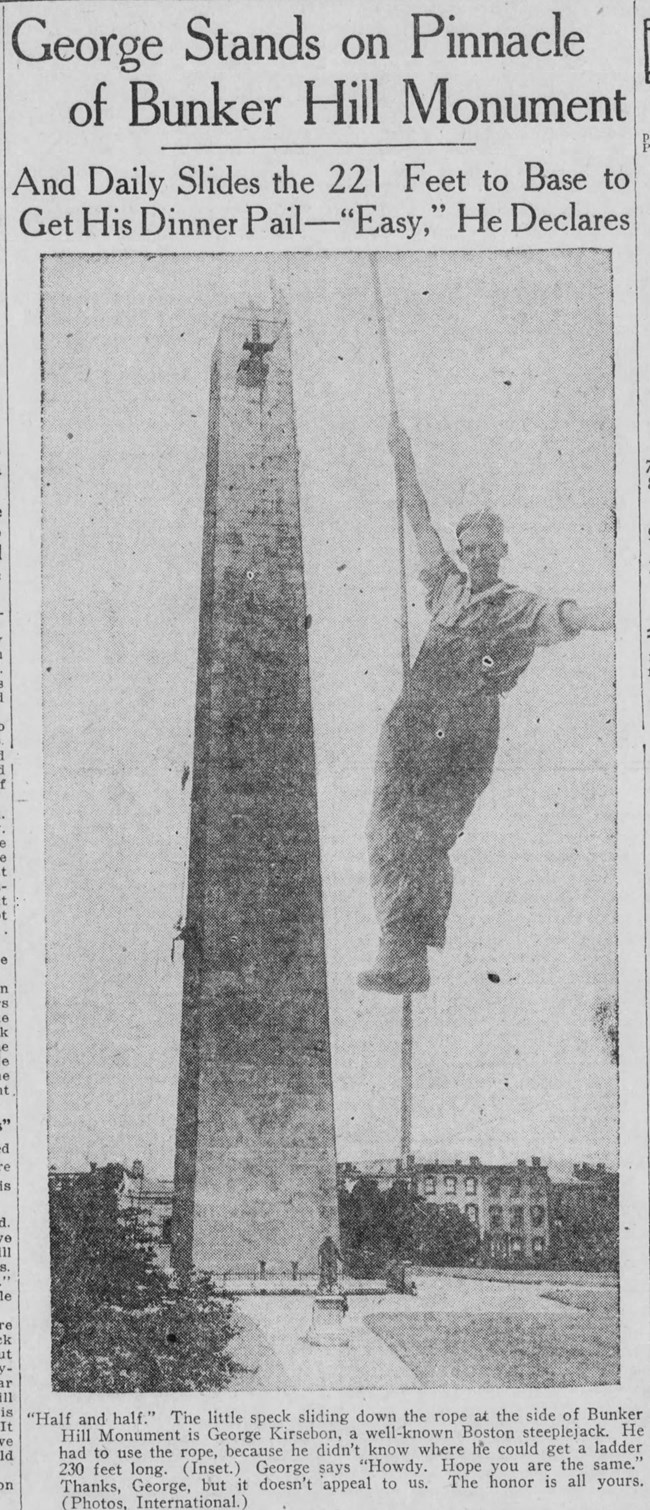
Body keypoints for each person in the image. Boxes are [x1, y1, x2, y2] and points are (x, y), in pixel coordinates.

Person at [358, 426, 613, 996]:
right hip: (414, 722)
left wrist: (619, 612)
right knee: (383, 829)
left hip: (461, 736)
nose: (475, 557)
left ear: (501, 550)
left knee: (424, 834)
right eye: (468, 547)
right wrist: (404, 462)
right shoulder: (446, 588)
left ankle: (410, 953)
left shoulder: (514, 606)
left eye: (485, 548)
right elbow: (420, 526)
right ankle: (397, 946)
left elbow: (565, 617)